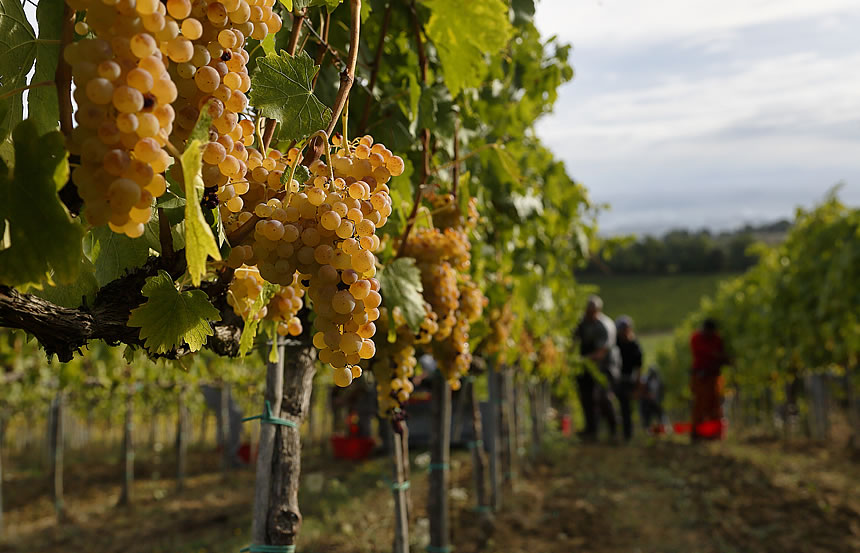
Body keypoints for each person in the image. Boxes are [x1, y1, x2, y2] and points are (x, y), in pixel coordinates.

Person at [573, 295, 620, 441]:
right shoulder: (582, 323)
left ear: (598, 310)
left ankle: (614, 430)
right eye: (587, 311)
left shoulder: (605, 326)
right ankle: (591, 430)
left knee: (603, 397)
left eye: (592, 311)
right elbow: (573, 340)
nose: (589, 314)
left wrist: (582, 359)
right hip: (586, 366)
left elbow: (602, 352)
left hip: (605, 366)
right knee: (586, 396)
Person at [690, 318, 728, 441]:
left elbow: (720, 355)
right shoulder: (696, 338)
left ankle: (714, 433)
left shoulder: (717, 338)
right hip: (700, 376)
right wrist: (716, 355)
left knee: (715, 404)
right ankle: (697, 433)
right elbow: (704, 353)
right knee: (700, 405)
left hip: (714, 376)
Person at [615, 315, 642, 441]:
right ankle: (614, 432)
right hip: (614, 378)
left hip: (628, 380)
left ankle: (627, 434)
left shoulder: (634, 346)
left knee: (626, 408)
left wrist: (637, 385)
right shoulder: (615, 344)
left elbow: (638, 368)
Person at [639, 365, 665, 431]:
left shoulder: (659, 381)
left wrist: (658, 400)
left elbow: (661, 392)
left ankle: (663, 427)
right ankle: (646, 429)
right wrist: (647, 396)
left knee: (661, 414)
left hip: (655, 402)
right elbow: (641, 392)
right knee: (646, 417)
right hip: (646, 403)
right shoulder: (644, 380)